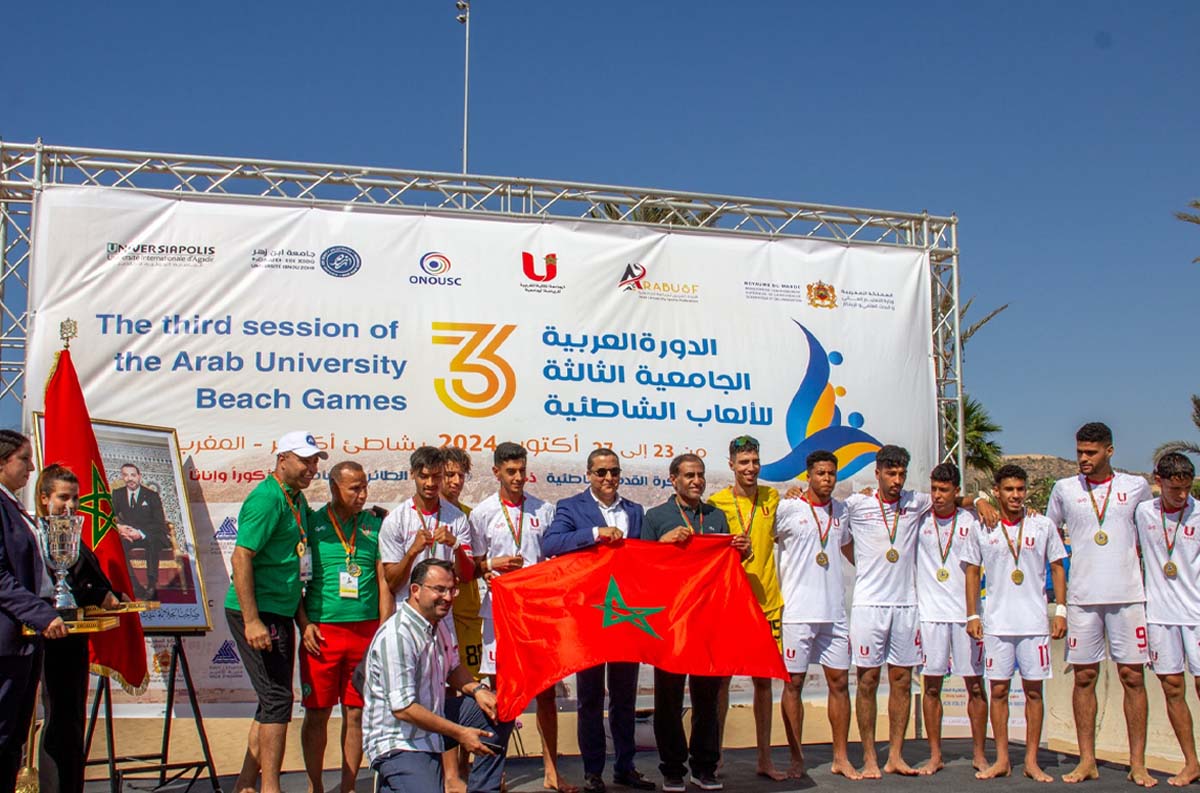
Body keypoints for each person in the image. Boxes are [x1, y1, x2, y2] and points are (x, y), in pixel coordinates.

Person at [1045, 422, 1154, 785]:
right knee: (1084, 677)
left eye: (1091, 452)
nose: (1083, 459)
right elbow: (1049, 539)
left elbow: (1153, 532)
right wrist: (1058, 604)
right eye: (1079, 452)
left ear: (1110, 451)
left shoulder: (1135, 487)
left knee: (1132, 677)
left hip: (1127, 597)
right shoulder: (1063, 489)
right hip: (1083, 599)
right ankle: (1086, 759)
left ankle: (1137, 762)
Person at [541, 447, 653, 793]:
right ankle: (593, 771)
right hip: (588, 615)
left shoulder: (635, 511)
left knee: (624, 697)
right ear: (589, 474)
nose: (608, 478)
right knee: (590, 696)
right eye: (601, 472)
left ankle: (625, 766)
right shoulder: (571, 508)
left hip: (625, 616)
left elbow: (649, 556)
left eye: (614, 472)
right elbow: (550, 543)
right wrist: (595, 534)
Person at [469, 442, 576, 793]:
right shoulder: (482, 512)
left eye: (521, 470)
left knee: (546, 693)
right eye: (510, 471)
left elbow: (554, 557)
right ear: (496, 471)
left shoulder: (543, 510)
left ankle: (550, 771)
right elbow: (473, 566)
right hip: (500, 615)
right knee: (502, 695)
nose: (517, 478)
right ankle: (494, 773)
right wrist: (490, 568)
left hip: (537, 615)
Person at [224, 430, 326, 793]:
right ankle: (270, 787)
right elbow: (241, 556)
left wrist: (302, 619)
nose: (311, 468)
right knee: (278, 700)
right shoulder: (266, 499)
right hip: (256, 613)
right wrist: (252, 620)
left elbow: (293, 567)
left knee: (272, 700)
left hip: (280, 611)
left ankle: (246, 784)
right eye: (305, 460)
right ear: (282, 458)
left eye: (315, 461)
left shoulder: (295, 500)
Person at [642, 453, 748, 792]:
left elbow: (728, 565)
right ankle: (672, 768)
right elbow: (641, 566)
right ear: (673, 479)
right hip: (671, 622)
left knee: (707, 698)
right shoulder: (656, 516)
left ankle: (705, 767)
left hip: (708, 620)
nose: (696, 481)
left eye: (700, 475)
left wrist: (741, 552)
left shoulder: (716, 516)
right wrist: (661, 544)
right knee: (669, 699)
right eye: (689, 475)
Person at [362, 558, 513, 793]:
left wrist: (478, 690)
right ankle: (391, 779)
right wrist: (461, 733)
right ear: (415, 591)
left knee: (500, 709)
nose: (449, 597)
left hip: (432, 722)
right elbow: (404, 709)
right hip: (399, 740)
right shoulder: (397, 636)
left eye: (452, 589)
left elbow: (452, 668)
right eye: (439, 590)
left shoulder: (438, 623)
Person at [964, 463, 1067, 782]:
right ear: (997, 492)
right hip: (997, 624)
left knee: (1034, 693)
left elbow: (1058, 567)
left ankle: (1032, 761)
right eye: (1009, 489)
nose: (1016, 495)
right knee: (998, 692)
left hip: (1034, 624)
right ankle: (1003, 759)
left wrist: (1061, 610)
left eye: (1021, 489)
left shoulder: (1042, 525)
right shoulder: (983, 526)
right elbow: (970, 572)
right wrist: (973, 614)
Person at [297, 461, 391, 793]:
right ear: (334, 487)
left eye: (365, 487)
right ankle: (316, 786)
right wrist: (304, 623)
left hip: (365, 634)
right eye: (355, 488)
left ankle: (348, 786)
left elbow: (383, 582)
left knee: (355, 713)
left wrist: (383, 630)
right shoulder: (311, 522)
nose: (362, 495)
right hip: (322, 633)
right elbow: (296, 578)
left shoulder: (375, 524)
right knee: (318, 713)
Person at [36, 464, 124, 793]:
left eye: (74, 498)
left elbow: (91, 581)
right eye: (62, 498)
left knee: (72, 719)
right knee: (59, 720)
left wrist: (108, 595)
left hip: (74, 637)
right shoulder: (40, 535)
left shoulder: (75, 536)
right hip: (49, 635)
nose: (70, 506)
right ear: (45, 498)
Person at [776, 450, 860, 782]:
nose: (827, 479)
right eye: (821, 473)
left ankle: (840, 756)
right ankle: (797, 759)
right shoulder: (788, 508)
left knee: (839, 683)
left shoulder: (843, 510)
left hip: (834, 613)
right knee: (793, 683)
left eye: (831, 474)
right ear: (808, 476)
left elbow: (852, 551)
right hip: (797, 611)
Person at [843, 443, 926, 777]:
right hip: (869, 605)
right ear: (876, 473)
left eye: (901, 473)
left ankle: (895, 754)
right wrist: (864, 565)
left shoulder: (916, 502)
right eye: (890, 473)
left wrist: (978, 499)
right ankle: (868, 756)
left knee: (902, 681)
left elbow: (951, 498)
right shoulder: (856, 504)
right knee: (867, 680)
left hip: (906, 605)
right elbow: (831, 525)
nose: (897, 479)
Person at [707, 435, 786, 781]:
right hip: (731, 606)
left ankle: (765, 759)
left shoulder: (773, 497)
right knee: (721, 684)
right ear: (731, 465)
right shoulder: (716, 502)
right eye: (743, 463)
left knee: (764, 684)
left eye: (754, 462)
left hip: (767, 605)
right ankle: (717, 755)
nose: (750, 468)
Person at [0, 430, 67, 790]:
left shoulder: (12, 506)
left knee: (13, 738)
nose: (31, 467)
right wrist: (42, 615)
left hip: (23, 643)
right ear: (2, 462)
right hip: (6, 643)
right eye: (23, 459)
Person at [914, 462, 987, 775]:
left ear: (957, 491)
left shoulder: (971, 519)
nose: (937, 496)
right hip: (930, 616)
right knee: (931, 687)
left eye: (944, 490)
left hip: (965, 616)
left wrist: (980, 499)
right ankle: (934, 754)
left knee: (975, 687)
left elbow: (987, 502)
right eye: (934, 489)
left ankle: (980, 754)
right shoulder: (918, 519)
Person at [1136, 452, 1200, 786]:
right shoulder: (1143, 512)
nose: (1182, 495)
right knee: (1172, 687)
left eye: (1187, 488)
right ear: (1158, 482)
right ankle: (1191, 762)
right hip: (1160, 617)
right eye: (1175, 489)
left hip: (1197, 615)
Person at [378, 446, 474, 609]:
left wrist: (456, 546)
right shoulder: (396, 519)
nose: (430, 483)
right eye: (424, 476)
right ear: (412, 474)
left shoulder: (457, 518)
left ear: (443, 476)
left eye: (436, 476)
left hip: (443, 612)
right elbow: (393, 584)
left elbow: (466, 576)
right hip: (408, 611)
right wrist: (412, 552)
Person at [441, 445, 485, 793]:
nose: (455, 481)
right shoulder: (418, 514)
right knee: (439, 695)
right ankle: (449, 774)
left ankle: (469, 772)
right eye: (449, 474)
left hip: (468, 617)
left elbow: (471, 572)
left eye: (460, 475)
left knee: (470, 693)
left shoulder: (470, 515)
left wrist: (458, 546)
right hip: (435, 621)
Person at [111, 462, 172, 600]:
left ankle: (152, 585)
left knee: (152, 543)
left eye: (133, 475)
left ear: (139, 477)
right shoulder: (118, 494)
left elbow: (159, 522)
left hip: (151, 534)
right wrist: (121, 528)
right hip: (130, 534)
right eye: (126, 475)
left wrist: (140, 533)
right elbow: (109, 515)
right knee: (119, 545)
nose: (129, 478)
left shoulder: (151, 495)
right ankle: (134, 585)